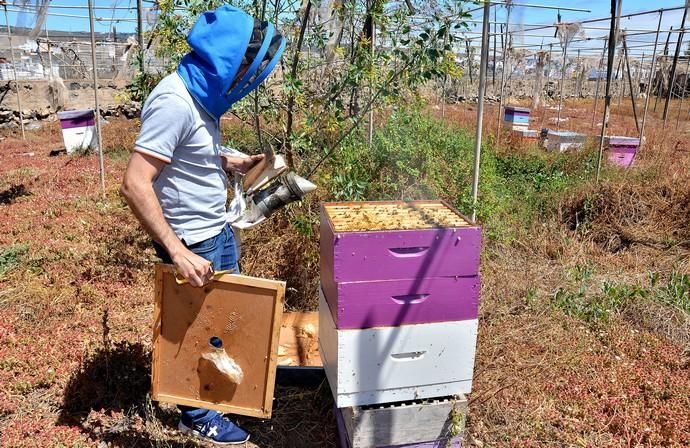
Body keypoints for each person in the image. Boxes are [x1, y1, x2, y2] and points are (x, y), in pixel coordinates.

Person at [120, 5, 285, 445]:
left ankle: (214, 394)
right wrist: (178, 252)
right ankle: (195, 414)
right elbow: (136, 184)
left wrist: (226, 159)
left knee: (216, 326)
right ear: (225, 59)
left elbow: (185, 150)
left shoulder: (197, 96)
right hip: (191, 242)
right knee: (191, 330)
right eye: (242, 67)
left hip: (214, 231)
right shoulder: (173, 101)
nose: (242, 78)